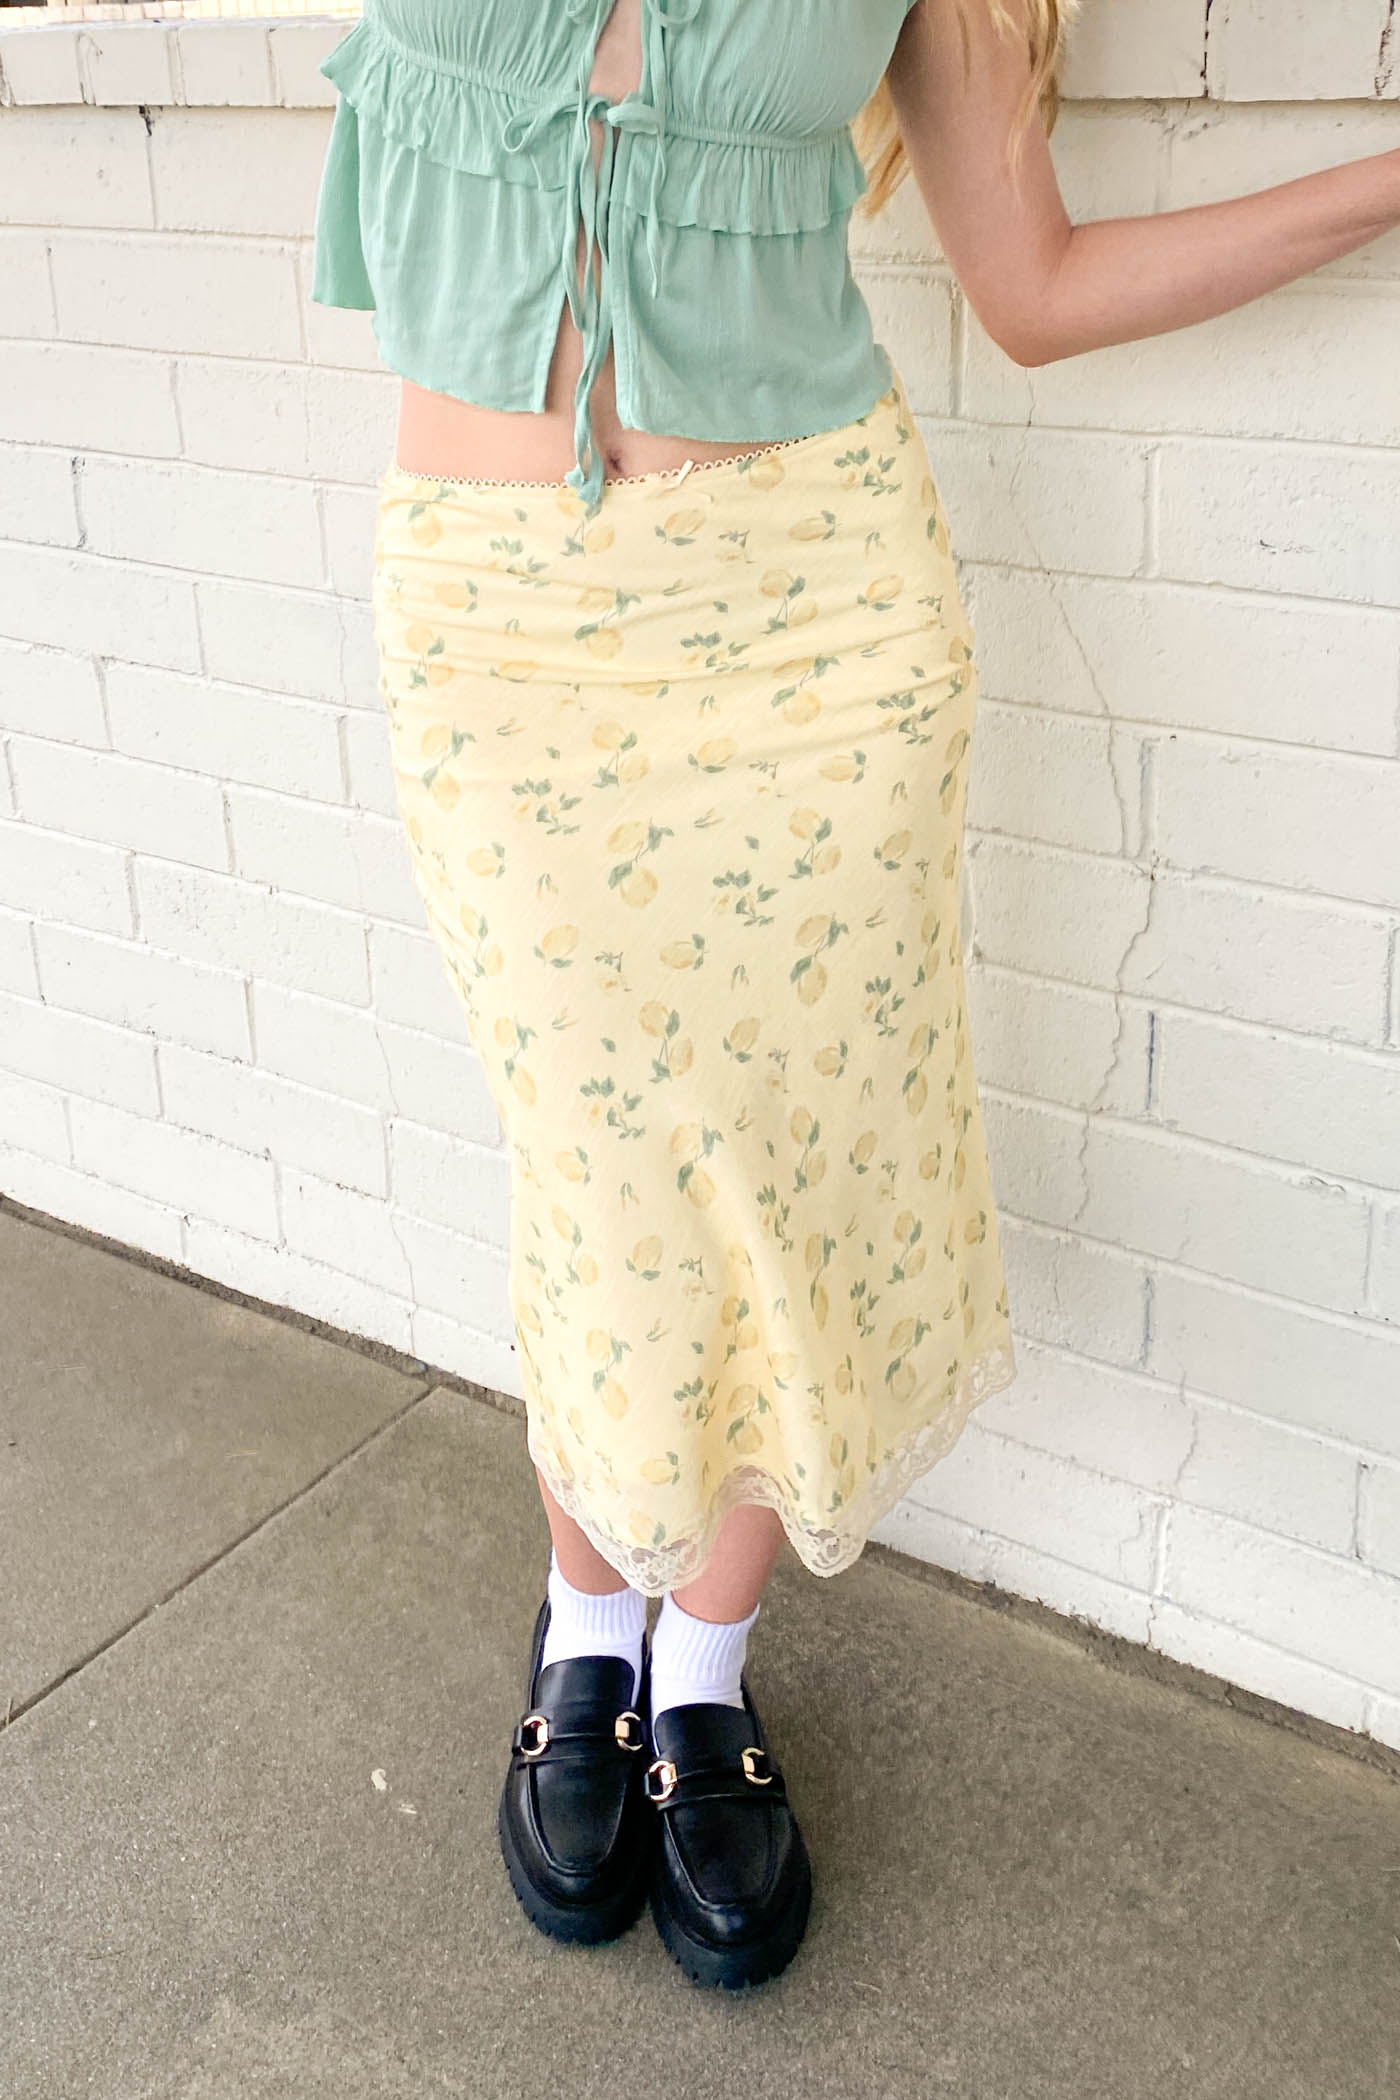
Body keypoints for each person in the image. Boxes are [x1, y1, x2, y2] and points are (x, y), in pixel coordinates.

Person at [310, 0, 1400, 1991]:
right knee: (605, 1172)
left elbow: (1036, 284)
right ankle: (586, 1641)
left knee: (784, 1178)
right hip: (502, 629)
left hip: (820, 631)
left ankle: (699, 1679)